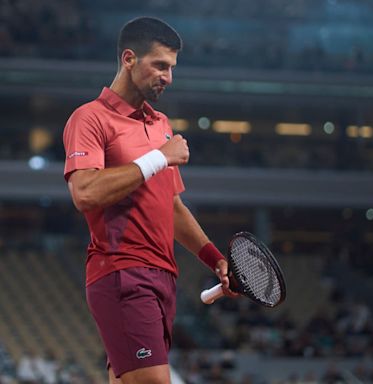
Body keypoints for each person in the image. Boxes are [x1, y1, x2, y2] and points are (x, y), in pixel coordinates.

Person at [62, 17, 237, 384]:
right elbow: (85, 193)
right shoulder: (90, 118)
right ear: (129, 59)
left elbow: (171, 207)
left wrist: (214, 258)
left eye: (171, 68)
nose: (168, 77)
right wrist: (159, 157)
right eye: (159, 65)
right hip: (123, 272)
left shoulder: (161, 125)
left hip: (163, 278)